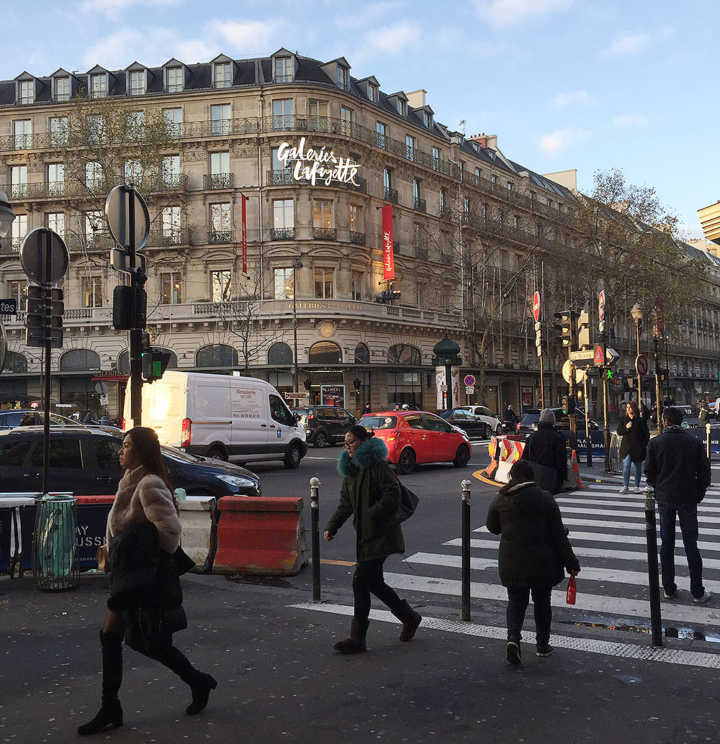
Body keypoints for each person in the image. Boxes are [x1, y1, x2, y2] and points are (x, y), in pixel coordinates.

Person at [78, 427, 217, 736]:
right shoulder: (130, 480)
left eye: (126, 447)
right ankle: (196, 681)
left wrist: (142, 557)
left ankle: (110, 706)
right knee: (146, 642)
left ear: (140, 452)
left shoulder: (148, 483)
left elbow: (169, 533)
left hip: (140, 578)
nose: (120, 451)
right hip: (126, 574)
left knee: (116, 635)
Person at [323, 424, 421, 654]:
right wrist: (332, 527)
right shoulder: (351, 472)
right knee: (373, 583)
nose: (347, 447)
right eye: (345, 443)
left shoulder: (377, 467)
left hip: (382, 533)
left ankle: (357, 638)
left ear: (363, 442)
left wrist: (372, 514)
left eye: (352, 442)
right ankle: (409, 617)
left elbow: (393, 494)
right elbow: (346, 504)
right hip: (366, 534)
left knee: (361, 581)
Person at [486, 460, 580, 665]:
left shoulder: (501, 498)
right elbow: (558, 536)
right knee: (542, 603)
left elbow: (492, 527)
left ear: (512, 476)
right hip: (542, 562)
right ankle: (542, 645)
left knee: (516, 602)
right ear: (532, 476)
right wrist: (571, 562)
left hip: (512, 560)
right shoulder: (545, 498)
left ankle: (513, 639)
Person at [645, 407, 712, 603]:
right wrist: (698, 493)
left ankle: (669, 588)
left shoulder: (656, 443)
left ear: (665, 421)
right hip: (688, 498)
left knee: (667, 544)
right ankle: (697, 591)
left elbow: (649, 472)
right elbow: (705, 473)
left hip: (665, 497)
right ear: (680, 422)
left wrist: (659, 487)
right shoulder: (694, 442)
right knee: (691, 544)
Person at [521, 408, 567, 494]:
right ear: (553, 422)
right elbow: (561, 461)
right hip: (552, 480)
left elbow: (525, 460)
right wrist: (562, 479)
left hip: (534, 480)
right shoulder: (558, 438)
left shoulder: (531, 438)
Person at [616, 400, 649, 494]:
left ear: (634, 408)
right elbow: (619, 432)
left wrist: (643, 445)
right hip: (627, 448)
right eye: (627, 407)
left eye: (630, 407)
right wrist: (626, 428)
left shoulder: (640, 420)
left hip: (638, 448)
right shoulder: (623, 419)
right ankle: (625, 486)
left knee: (638, 468)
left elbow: (646, 434)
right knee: (626, 466)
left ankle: (636, 486)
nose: (628, 409)